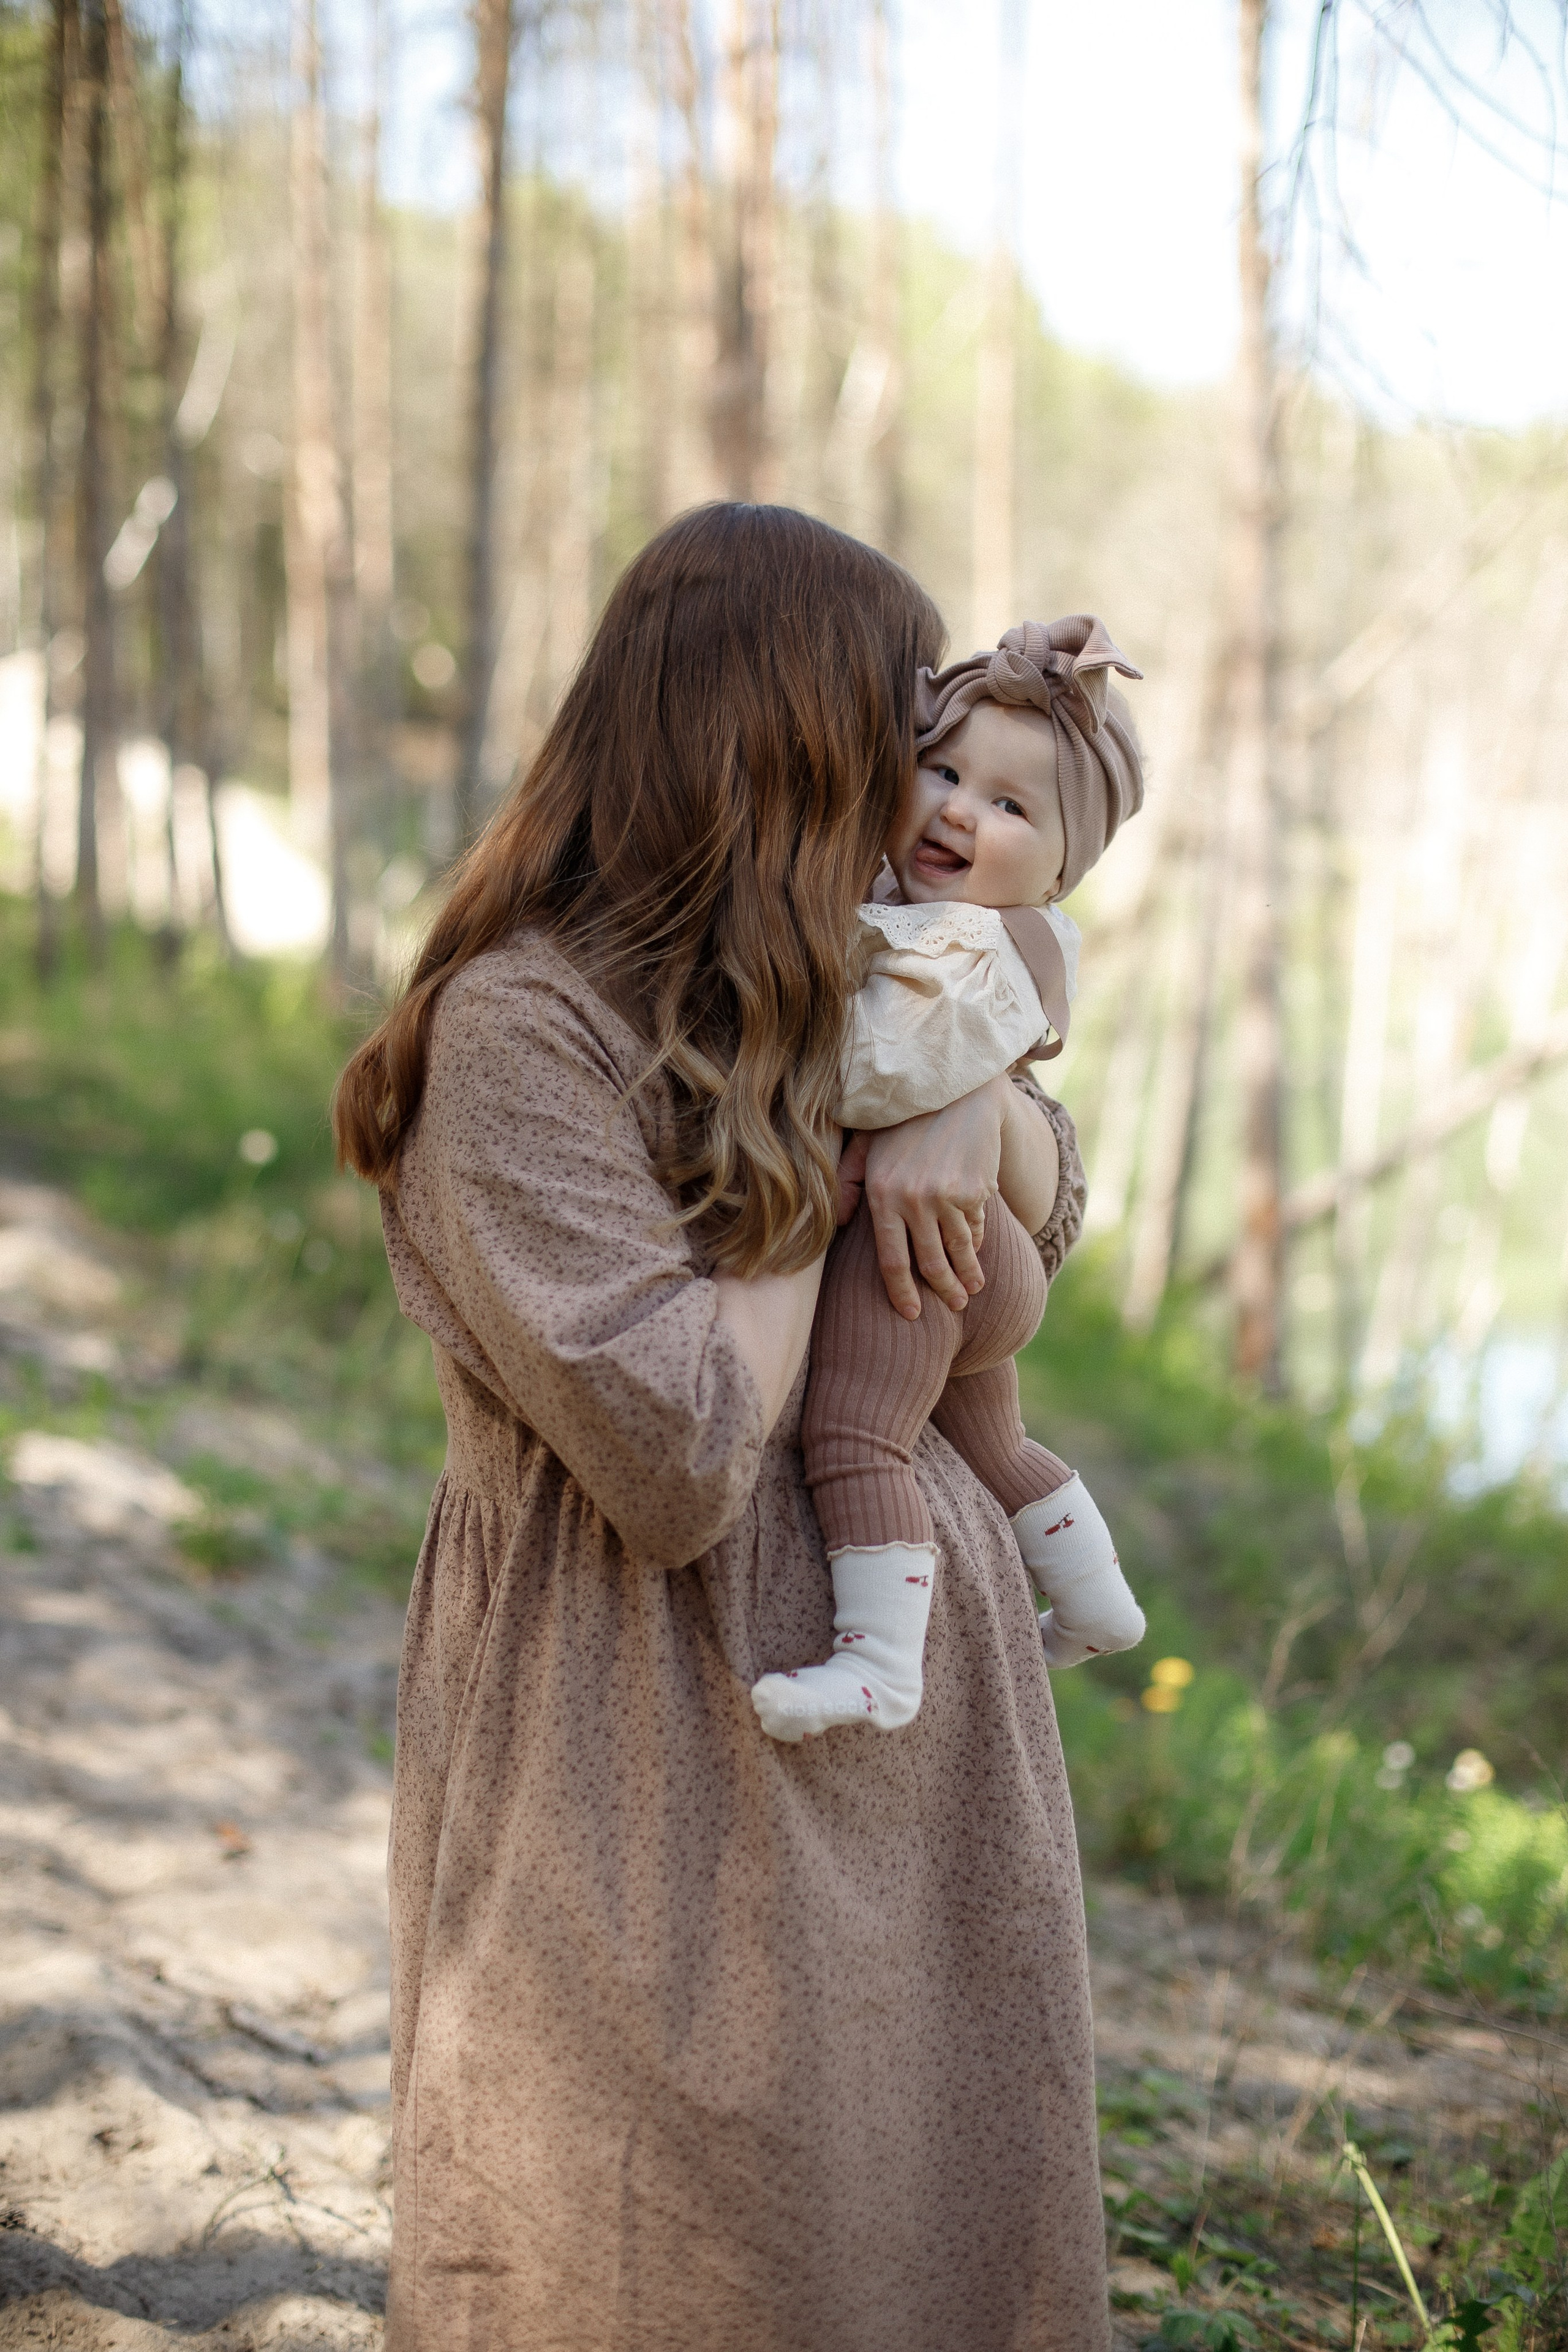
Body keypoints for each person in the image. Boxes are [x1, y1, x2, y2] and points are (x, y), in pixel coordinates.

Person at [335, 503, 1112, 2351]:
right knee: (650, 2249)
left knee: (919, 2228)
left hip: (914, 1725)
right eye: (888, 740)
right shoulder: (522, 1031)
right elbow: (681, 1452)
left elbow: (1050, 1218)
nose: (913, 799)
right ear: (768, 744)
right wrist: (863, 1130)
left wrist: (966, 1097)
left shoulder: (830, 970)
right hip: (646, 1723)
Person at [752, 617, 1148, 1743]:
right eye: (945, 771)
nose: (963, 812)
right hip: (973, 1255)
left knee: (857, 1435)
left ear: (1065, 871)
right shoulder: (920, 909)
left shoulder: (992, 947)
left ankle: (879, 1662)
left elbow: (887, 1074)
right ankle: (1094, 1594)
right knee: (993, 1445)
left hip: (924, 1249)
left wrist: (787, 1045)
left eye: (1014, 807)